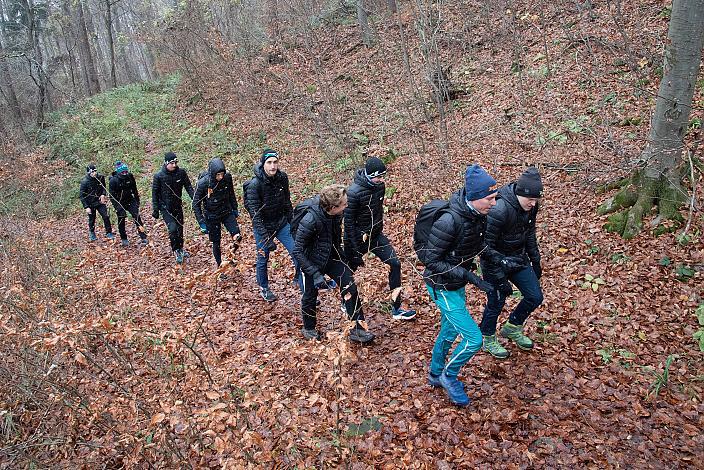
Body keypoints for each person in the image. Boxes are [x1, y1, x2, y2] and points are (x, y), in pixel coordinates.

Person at [422, 164, 498, 407]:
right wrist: (471, 277)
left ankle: (435, 373)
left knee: (450, 330)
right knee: (474, 339)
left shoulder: (477, 217)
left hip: (456, 283)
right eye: (490, 198)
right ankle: (449, 375)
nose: (494, 203)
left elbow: (476, 246)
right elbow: (431, 260)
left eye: (495, 197)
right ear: (474, 198)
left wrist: (502, 261)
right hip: (441, 286)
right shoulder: (448, 221)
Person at [293, 184, 375, 343]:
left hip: (330, 257)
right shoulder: (310, 220)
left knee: (349, 286)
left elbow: (334, 237)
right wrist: (315, 274)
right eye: (344, 204)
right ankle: (308, 328)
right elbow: (297, 250)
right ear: (332, 207)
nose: (347, 205)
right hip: (311, 261)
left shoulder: (337, 214)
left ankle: (357, 329)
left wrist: (345, 257)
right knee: (310, 295)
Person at [479, 167, 544, 359]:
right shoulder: (499, 209)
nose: (533, 204)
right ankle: (487, 337)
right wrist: (499, 277)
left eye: (536, 200)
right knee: (496, 301)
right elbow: (484, 247)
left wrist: (535, 260)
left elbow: (529, 234)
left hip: (518, 259)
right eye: (530, 199)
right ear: (518, 194)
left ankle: (512, 327)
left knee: (534, 296)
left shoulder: (531, 206)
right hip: (495, 262)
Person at [344, 156, 415, 320]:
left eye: (383, 176)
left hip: (376, 236)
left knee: (395, 264)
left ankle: (396, 308)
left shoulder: (380, 187)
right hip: (356, 240)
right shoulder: (353, 193)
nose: (381, 179)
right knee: (348, 274)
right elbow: (348, 224)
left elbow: (378, 211)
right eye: (378, 176)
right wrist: (355, 248)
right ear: (370, 175)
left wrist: (376, 229)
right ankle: (346, 303)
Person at [243, 148, 298, 301]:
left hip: (281, 223)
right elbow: (255, 214)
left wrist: (292, 223)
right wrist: (267, 238)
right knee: (263, 257)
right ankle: (264, 287)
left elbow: (287, 202)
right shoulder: (254, 185)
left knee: (297, 252)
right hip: (263, 226)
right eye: (269, 163)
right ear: (263, 164)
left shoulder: (282, 178)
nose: (273, 166)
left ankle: (302, 283)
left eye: (275, 162)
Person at [193, 157, 242, 267]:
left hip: (226, 211)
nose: (220, 177)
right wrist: (201, 221)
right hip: (212, 215)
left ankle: (231, 257)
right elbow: (195, 203)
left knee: (238, 236)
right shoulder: (203, 183)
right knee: (216, 242)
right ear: (212, 173)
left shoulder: (227, 178)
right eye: (218, 175)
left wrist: (235, 208)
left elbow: (231, 194)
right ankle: (220, 265)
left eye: (222, 174)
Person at [151, 152, 195, 263]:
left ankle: (180, 248)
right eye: (171, 163)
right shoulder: (159, 176)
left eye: (175, 162)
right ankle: (176, 250)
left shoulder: (181, 173)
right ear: (166, 163)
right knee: (172, 229)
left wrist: (194, 198)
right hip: (165, 208)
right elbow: (155, 193)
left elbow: (188, 186)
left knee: (180, 229)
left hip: (177, 205)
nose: (174, 165)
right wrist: (155, 209)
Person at [109, 161, 148, 246]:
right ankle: (124, 238)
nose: (125, 174)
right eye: (123, 172)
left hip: (130, 200)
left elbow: (134, 189)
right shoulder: (113, 181)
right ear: (119, 172)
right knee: (121, 219)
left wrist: (137, 201)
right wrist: (118, 208)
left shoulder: (130, 176)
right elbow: (112, 196)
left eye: (126, 172)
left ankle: (143, 237)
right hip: (119, 202)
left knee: (137, 217)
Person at [80, 164, 115, 241]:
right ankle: (92, 233)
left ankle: (109, 232)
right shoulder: (84, 182)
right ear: (89, 173)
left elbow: (103, 187)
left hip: (100, 202)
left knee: (106, 216)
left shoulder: (100, 177)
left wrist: (103, 194)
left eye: (95, 171)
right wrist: (86, 207)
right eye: (92, 172)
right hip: (90, 203)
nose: (94, 173)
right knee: (92, 219)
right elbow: (82, 196)